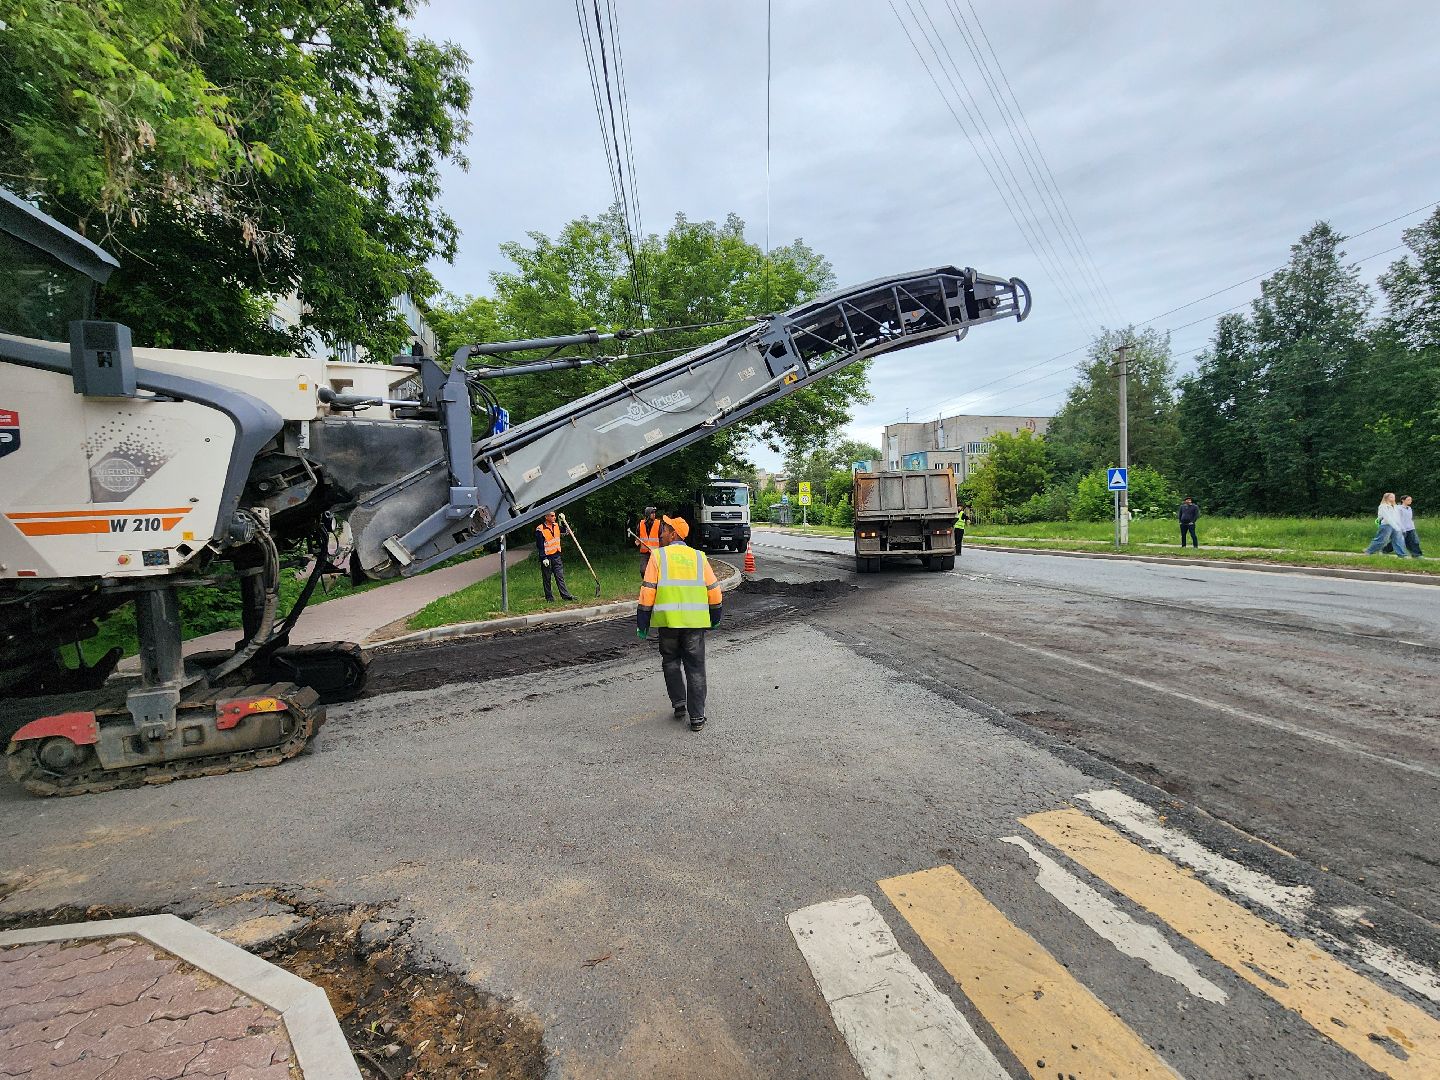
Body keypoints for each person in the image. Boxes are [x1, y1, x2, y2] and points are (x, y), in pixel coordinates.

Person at [636, 515, 721, 732]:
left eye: (664, 529)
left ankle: (679, 704)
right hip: (694, 625)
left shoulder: (658, 557)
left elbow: (647, 592)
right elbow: (714, 591)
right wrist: (715, 618)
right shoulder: (699, 557)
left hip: (669, 625)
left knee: (671, 663)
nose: (661, 533)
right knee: (695, 668)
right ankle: (697, 717)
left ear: (674, 534)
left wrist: (642, 623)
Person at [535, 510, 577, 601]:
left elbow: (567, 532)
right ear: (546, 517)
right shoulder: (540, 529)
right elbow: (540, 545)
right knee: (547, 578)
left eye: (555, 516)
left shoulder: (557, 526)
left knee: (560, 576)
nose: (554, 517)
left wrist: (563, 521)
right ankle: (549, 598)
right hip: (547, 558)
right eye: (552, 516)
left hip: (556, 556)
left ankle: (566, 596)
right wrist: (543, 558)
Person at [1364, 492, 1409, 557]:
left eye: (1394, 497)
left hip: (1396, 526)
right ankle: (1369, 551)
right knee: (1382, 540)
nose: (1393, 498)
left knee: (1398, 540)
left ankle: (1402, 555)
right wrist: (1396, 527)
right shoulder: (1383, 506)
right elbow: (1387, 518)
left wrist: (1401, 527)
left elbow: (1398, 518)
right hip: (1386, 525)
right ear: (1386, 498)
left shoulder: (1395, 507)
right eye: (1391, 497)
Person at [634, 505, 662, 575]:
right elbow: (638, 535)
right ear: (648, 514)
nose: (654, 514)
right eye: (652, 513)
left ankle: (655, 584)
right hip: (644, 552)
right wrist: (637, 540)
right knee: (643, 570)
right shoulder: (641, 524)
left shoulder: (658, 524)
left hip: (655, 552)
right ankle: (646, 582)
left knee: (655, 571)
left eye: (654, 513)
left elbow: (662, 537)